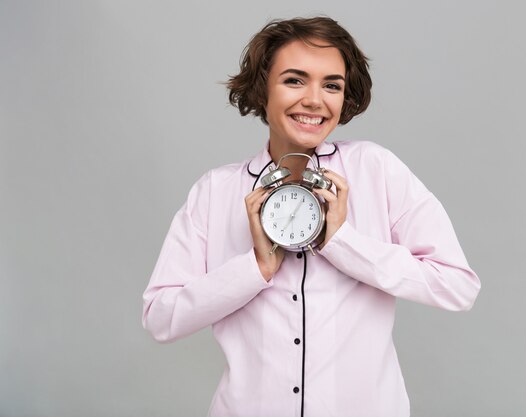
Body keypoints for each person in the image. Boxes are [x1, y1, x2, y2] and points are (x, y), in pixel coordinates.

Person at [142, 16, 480, 417]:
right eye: (294, 80)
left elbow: (458, 285)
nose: (315, 100)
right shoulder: (215, 192)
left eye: (332, 85)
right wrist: (254, 269)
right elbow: (160, 318)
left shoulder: (376, 170)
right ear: (262, 88)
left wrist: (343, 244)